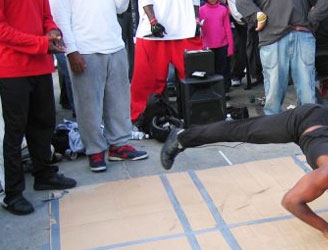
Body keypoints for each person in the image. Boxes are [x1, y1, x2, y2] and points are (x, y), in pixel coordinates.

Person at [160, 13, 328, 246]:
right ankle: (182, 137)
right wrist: (327, 228)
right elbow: (291, 201)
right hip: (304, 122)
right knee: (241, 130)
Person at [51, 0, 149, 172]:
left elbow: (121, 7)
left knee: (119, 102)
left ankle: (119, 145)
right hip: (84, 48)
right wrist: (71, 50)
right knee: (88, 106)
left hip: (115, 44)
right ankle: (95, 150)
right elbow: (60, 17)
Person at [0, 0, 77, 215]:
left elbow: (46, 16)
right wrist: (41, 43)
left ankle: (44, 174)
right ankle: (12, 194)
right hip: (11, 69)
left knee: (43, 124)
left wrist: (52, 30)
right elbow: (2, 30)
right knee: (15, 133)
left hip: (40, 65)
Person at [236, 0, 328, 115]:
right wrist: (256, 15)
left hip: (296, 34)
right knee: (275, 94)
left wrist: (314, 16)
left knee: (303, 93)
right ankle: (278, 128)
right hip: (278, 37)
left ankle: (307, 126)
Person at [130, 0, 201, 123]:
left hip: (185, 29)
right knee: (146, 82)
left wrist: (195, 20)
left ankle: (200, 115)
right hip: (153, 32)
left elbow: (195, 1)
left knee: (196, 77)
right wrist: (153, 21)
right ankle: (143, 120)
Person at [199, 0, 234, 99]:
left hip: (223, 44)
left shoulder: (223, 9)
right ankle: (212, 92)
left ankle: (224, 92)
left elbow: (227, 28)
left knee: (223, 70)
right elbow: (199, 30)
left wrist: (230, 46)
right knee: (210, 71)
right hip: (207, 46)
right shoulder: (201, 10)